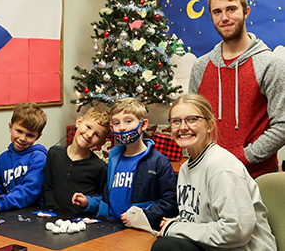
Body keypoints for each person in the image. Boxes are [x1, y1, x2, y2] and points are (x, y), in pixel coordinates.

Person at [151, 93, 277, 251]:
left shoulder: (221, 166)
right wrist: (176, 223)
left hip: (243, 248)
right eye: (176, 121)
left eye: (192, 119)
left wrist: (176, 228)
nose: (183, 127)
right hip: (213, 246)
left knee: (165, 246)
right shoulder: (185, 169)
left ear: (210, 125)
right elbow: (200, 217)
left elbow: (236, 231)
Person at [189, 0, 285, 178]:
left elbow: (282, 124)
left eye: (231, 9)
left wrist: (243, 156)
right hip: (210, 175)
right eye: (217, 12)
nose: (224, 17)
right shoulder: (201, 66)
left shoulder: (269, 64)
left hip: (257, 177)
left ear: (246, 11)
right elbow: (193, 120)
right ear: (211, 17)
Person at [72, 97, 178, 231]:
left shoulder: (158, 162)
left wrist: (139, 216)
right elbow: (108, 200)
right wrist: (88, 202)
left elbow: (170, 203)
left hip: (138, 229)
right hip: (109, 227)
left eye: (128, 121)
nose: (122, 127)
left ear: (143, 125)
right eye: (116, 123)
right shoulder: (114, 159)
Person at [0, 102, 47, 213]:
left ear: (38, 136)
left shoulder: (39, 158)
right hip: (13, 210)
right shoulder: (3, 159)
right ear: (10, 127)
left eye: (30, 135)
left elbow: (30, 190)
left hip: (34, 212)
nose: (23, 138)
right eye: (19, 131)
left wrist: (2, 203)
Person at [44, 107, 110, 212]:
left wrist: (87, 203)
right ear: (79, 122)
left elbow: (103, 200)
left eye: (97, 135)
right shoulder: (54, 154)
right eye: (88, 127)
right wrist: (54, 212)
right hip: (53, 218)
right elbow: (48, 189)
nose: (89, 135)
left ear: (101, 142)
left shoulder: (100, 167)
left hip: (83, 223)